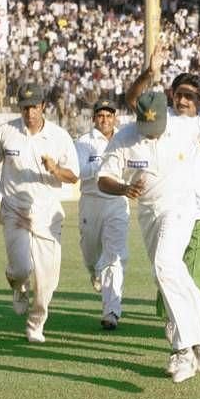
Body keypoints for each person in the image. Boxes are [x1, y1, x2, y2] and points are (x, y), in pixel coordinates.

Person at [97, 91, 200, 384]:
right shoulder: (125, 137)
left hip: (180, 206)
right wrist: (123, 189)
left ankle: (183, 348)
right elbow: (103, 178)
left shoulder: (184, 125)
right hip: (148, 212)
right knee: (167, 275)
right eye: (147, 129)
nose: (152, 135)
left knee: (165, 265)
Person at [125, 42, 200, 331]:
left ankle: (196, 325)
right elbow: (133, 100)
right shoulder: (161, 119)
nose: (183, 101)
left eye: (190, 97)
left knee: (199, 268)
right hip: (166, 207)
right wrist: (149, 72)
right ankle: (176, 316)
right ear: (171, 95)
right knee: (167, 268)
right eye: (179, 95)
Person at [0, 82, 79, 344]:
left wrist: (55, 170)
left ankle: (36, 323)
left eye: (34, 107)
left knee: (47, 280)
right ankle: (17, 285)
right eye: (25, 108)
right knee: (20, 268)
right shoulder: (6, 131)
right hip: (14, 208)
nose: (29, 113)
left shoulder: (60, 136)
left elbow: (73, 176)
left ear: (43, 107)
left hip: (47, 215)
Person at [75, 99, 129, 330]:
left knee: (114, 257)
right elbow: (78, 171)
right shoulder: (84, 142)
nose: (105, 120)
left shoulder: (124, 139)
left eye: (109, 115)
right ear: (94, 118)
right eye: (100, 116)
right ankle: (94, 272)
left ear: (114, 118)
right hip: (91, 202)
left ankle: (111, 311)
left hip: (117, 202)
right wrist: (101, 167)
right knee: (91, 255)